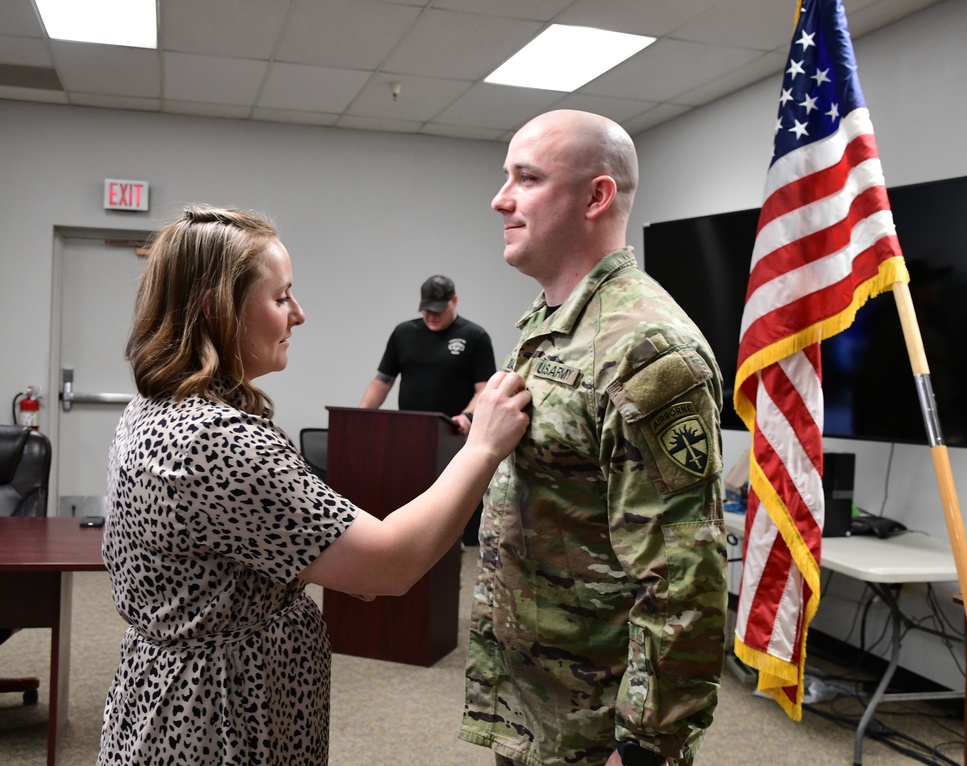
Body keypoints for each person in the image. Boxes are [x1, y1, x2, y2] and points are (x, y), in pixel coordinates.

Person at [97, 205, 530, 766]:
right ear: (216, 309)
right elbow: (390, 564)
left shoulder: (159, 408)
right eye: (280, 299)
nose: (298, 314)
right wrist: (484, 449)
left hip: (190, 703)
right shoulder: (214, 440)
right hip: (217, 724)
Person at [458, 110, 728, 766]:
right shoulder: (551, 320)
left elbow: (682, 578)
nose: (500, 198)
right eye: (506, 177)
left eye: (526, 178)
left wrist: (642, 748)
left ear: (596, 196)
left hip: (596, 728)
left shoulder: (646, 351)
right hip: (534, 704)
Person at [358, 274, 496, 437]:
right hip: (407, 430)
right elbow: (382, 382)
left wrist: (467, 416)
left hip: (452, 432)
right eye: (427, 310)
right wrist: (359, 417)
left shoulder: (475, 336)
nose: (432, 317)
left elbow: (485, 389)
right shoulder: (403, 333)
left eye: (438, 311)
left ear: (454, 301)